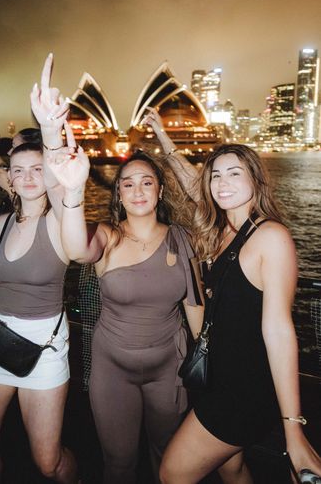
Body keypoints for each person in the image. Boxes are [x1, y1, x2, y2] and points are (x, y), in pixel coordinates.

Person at [30, 52, 204, 483]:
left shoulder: (183, 238)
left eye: (147, 181)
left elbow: (196, 306)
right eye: (128, 183)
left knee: (167, 460)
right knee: (119, 465)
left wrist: (205, 360)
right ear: (119, 194)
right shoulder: (107, 235)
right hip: (113, 370)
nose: (138, 189)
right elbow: (74, 249)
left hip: (170, 369)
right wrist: (68, 183)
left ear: (160, 190)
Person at [140, 121, 321, 483]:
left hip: (245, 390)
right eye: (216, 176)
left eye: (234, 173)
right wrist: (162, 134)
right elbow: (197, 187)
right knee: (232, 468)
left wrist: (293, 428)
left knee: (172, 473)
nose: (222, 183)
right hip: (219, 377)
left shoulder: (270, 237)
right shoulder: (223, 232)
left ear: (256, 180)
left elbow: (280, 332)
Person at [0, 140, 78, 484]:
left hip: (44, 349)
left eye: (38, 168)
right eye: (18, 170)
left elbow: (74, 220)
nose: (28, 177)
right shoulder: (2, 224)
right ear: (10, 178)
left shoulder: (60, 222)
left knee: (48, 463)